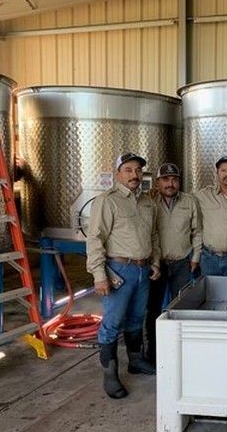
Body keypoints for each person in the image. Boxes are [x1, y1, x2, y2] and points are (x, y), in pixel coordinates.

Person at [86, 152, 161, 399]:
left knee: (136, 317)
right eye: (128, 170)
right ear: (118, 173)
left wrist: (155, 262)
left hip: (142, 269)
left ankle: (136, 361)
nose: (135, 175)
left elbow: (153, 236)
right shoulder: (107, 201)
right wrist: (99, 274)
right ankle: (110, 375)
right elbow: (95, 238)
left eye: (138, 170)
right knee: (112, 323)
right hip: (119, 270)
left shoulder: (147, 202)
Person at [145, 162, 202, 363]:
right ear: (158, 182)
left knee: (181, 308)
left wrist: (195, 258)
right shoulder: (149, 202)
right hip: (156, 265)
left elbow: (197, 231)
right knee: (152, 309)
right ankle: (153, 353)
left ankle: (181, 352)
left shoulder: (189, 201)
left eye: (174, 179)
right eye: (166, 179)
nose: (170, 183)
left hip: (182, 264)